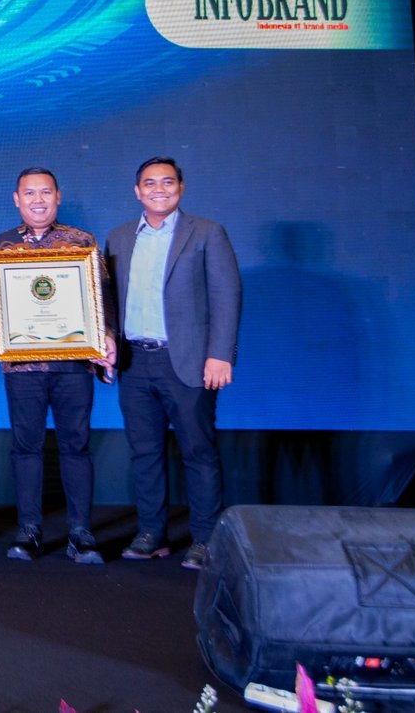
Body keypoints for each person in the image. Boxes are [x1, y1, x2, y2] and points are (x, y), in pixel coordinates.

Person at [104, 157, 241, 571]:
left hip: (189, 362)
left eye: (167, 182)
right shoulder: (119, 237)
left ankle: (205, 539)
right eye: (150, 183)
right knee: (144, 453)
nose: (158, 189)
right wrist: (106, 338)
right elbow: (108, 300)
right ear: (137, 191)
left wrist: (221, 354)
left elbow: (227, 295)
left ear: (180, 187)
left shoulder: (207, 233)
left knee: (198, 452)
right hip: (134, 362)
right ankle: (152, 534)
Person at [0, 168, 116, 565]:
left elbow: (103, 295)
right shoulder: (1, 244)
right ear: (16, 199)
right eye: (29, 193)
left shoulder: (82, 242)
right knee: (26, 447)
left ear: (58, 197)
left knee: (76, 445)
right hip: (23, 365)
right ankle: (29, 530)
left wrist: (107, 335)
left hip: (74, 362)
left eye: (45, 192)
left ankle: (81, 532)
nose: (37, 200)